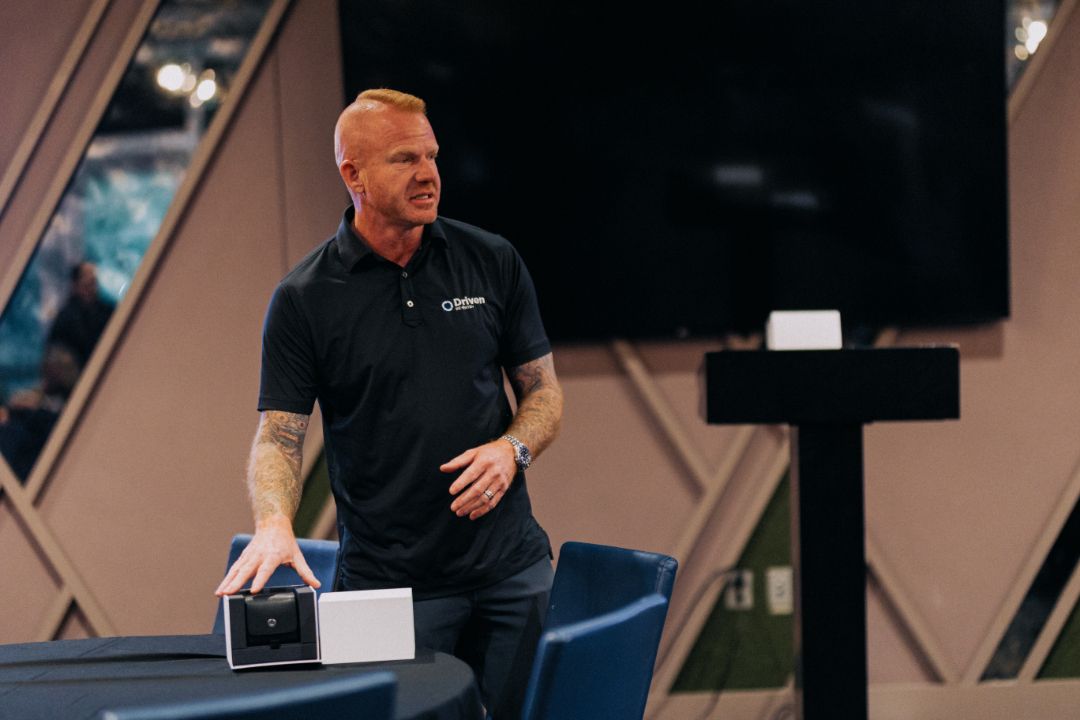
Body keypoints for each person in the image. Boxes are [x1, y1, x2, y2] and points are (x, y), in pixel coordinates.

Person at [215, 88, 563, 716]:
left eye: (432, 156)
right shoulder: (305, 298)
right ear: (354, 174)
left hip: (511, 572)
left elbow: (543, 394)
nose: (429, 173)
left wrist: (512, 449)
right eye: (405, 159)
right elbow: (279, 434)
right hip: (387, 589)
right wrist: (273, 522)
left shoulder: (491, 260)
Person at [47, 261, 114, 370]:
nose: (92, 288)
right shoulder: (65, 319)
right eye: (87, 283)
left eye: (93, 282)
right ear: (76, 285)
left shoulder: (107, 311)